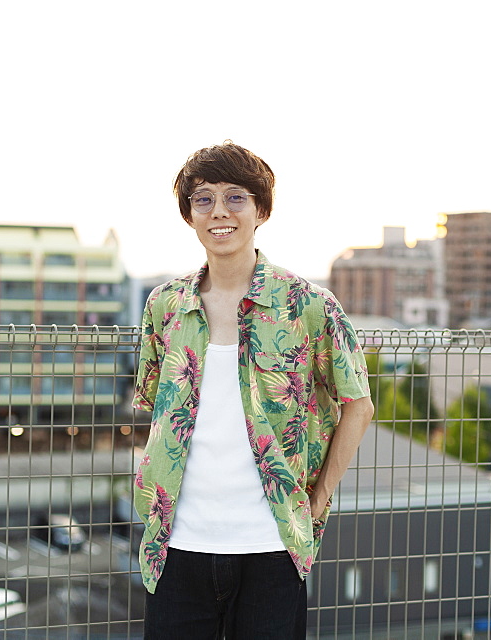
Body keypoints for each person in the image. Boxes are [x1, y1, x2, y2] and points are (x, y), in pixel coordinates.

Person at [132, 141, 375, 639]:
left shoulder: (308, 305)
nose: (219, 212)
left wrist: (319, 496)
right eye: (203, 200)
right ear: (190, 216)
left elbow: (359, 404)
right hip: (176, 545)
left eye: (235, 197)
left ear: (261, 209)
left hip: (271, 546)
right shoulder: (165, 305)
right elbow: (156, 407)